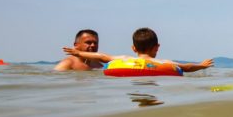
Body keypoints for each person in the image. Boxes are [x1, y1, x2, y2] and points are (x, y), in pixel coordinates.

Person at [63, 27, 213, 73]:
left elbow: (101, 56)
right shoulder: (164, 62)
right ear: (157, 47)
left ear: (133, 48)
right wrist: (202, 65)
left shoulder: (124, 59)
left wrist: (79, 53)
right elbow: (186, 67)